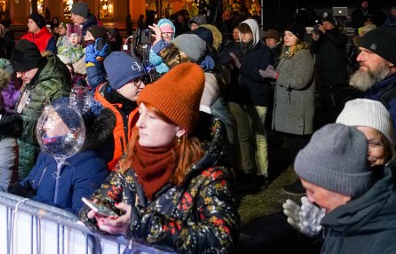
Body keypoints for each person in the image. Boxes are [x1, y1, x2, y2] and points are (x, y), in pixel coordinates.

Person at [79, 63, 239, 252]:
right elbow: (103, 197)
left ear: (180, 128)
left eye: (152, 118)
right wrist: (96, 215)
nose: (140, 124)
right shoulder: (132, 156)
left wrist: (143, 225)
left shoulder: (210, 174)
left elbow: (222, 237)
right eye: (140, 113)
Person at [292, 123, 396, 252]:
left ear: (345, 189)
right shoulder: (346, 216)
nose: (309, 199)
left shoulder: (388, 244)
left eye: (312, 190)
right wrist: (318, 238)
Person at [10, 99, 114, 215]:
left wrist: (31, 201)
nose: (45, 126)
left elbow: (82, 216)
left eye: (52, 120)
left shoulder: (90, 166)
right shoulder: (48, 152)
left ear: (74, 130)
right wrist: (18, 189)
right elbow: (30, 181)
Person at [260, 24, 315, 195]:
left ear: (298, 37)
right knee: (295, 148)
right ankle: (303, 182)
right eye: (285, 34)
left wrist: (276, 76)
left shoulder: (303, 55)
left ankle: (305, 184)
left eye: (290, 34)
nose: (286, 37)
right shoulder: (289, 54)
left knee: (300, 148)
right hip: (291, 108)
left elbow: (300, 80)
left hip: (298, 109)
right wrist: (274, 72)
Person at [12, 39, 72, 178]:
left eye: (21, 71)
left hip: (38, 159)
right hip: (24, 153)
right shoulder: (33, 79)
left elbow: (59, 130)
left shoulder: (57, 86)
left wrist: (19, 128)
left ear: (33, 64)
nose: (18, 75)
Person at [227, 18, 272, 190]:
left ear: (253, 32)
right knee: (244, 136)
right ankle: (247, 170)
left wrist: (240, 66)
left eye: (246, 31)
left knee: (259, 138)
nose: (243, 35)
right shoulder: (238, 48)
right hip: (241, 98)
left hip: (257, 99)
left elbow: (262, 75)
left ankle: (263, 173)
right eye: (241, 31)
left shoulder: (264, 51)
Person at [92, 52, 146, 171]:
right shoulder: (96, 112)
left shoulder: (144, 108)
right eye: (136, 81)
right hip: (107, 178)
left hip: (135, 176)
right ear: (118, 85)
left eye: (142, 80)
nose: (143, 85)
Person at [349, 27, 396, 127]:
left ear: (391, 61)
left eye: (368, 53)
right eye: (360, 51)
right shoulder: (376, 88)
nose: (358, 58)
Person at [310, 16, 349, 123]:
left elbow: (339, 42)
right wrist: (315, 40)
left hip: (337, 73)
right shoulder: (322, 37)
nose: (324, 26)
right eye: (324, 24)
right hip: (324, 73)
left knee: (338, 100)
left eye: (327, 24)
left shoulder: (341, 35)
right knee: (325, 101)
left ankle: (340, 121)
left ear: (333, 24)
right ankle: (326, 121)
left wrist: (325, 33)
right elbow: (313, 50)